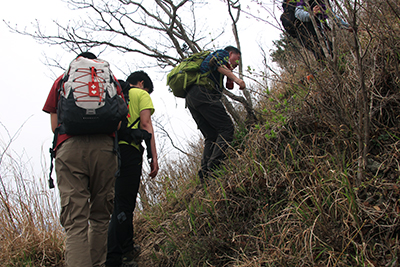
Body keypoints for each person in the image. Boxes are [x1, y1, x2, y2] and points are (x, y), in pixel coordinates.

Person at [42, 52, 124, 267]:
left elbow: (54, 126)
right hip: (105, 150)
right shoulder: (111, 80)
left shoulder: (62, 81)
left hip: (70, 150)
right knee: (99, 217)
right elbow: (118, 123)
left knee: (76, 222)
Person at [106, 71, 159, 267]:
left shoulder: (114, 94)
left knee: (117, 203)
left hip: (108, 151)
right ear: (142, 83)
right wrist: (153, 157)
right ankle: (114, 258)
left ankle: (127, 248)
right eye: (148, 91)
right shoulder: (140, 94)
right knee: (124, 205)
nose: (147, 94)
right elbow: (146, 125)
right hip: (129, 151)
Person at [185, 46, 246, 183]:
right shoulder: (221, 53)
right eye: (237, 59)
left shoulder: (219, 66)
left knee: (211, 135)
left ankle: (205, 174)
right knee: (226, 128)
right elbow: (217, 65)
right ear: (231, 53)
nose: (237, 64)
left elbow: (222, 77)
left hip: (192, 99)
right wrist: (237, 80)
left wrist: (229, 77)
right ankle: (214, 167)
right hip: (203, 94)